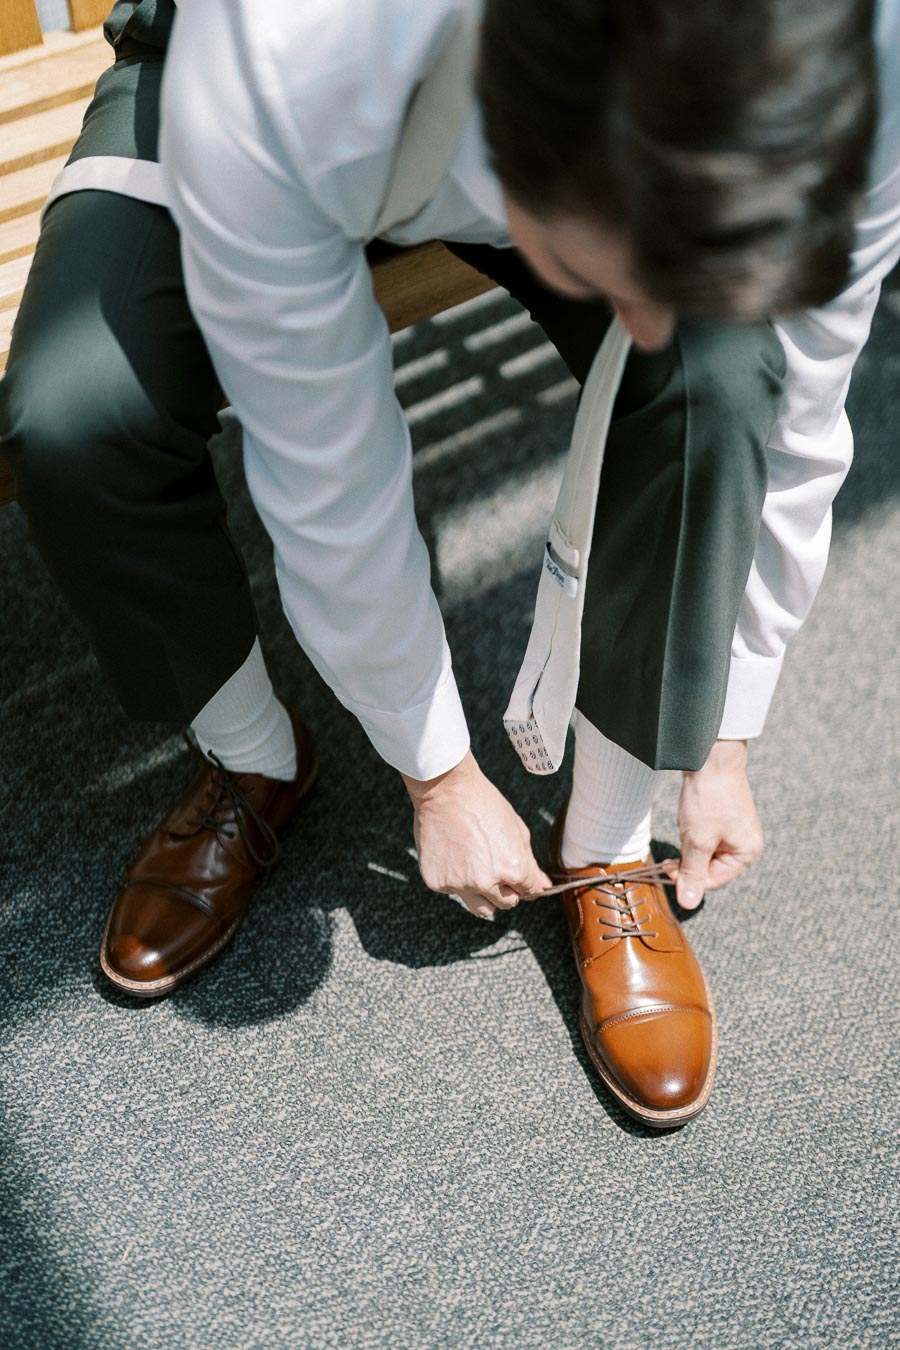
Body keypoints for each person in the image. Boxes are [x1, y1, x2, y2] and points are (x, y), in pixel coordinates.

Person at [1, 0, 896, 1128]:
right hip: (248, 81)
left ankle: (604, 846)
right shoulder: (270, 70)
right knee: (78, 421)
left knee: (716, 377)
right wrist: (437, 774)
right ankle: (255, 759)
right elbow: (326, 463)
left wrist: (725, 725)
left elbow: (797, 405)